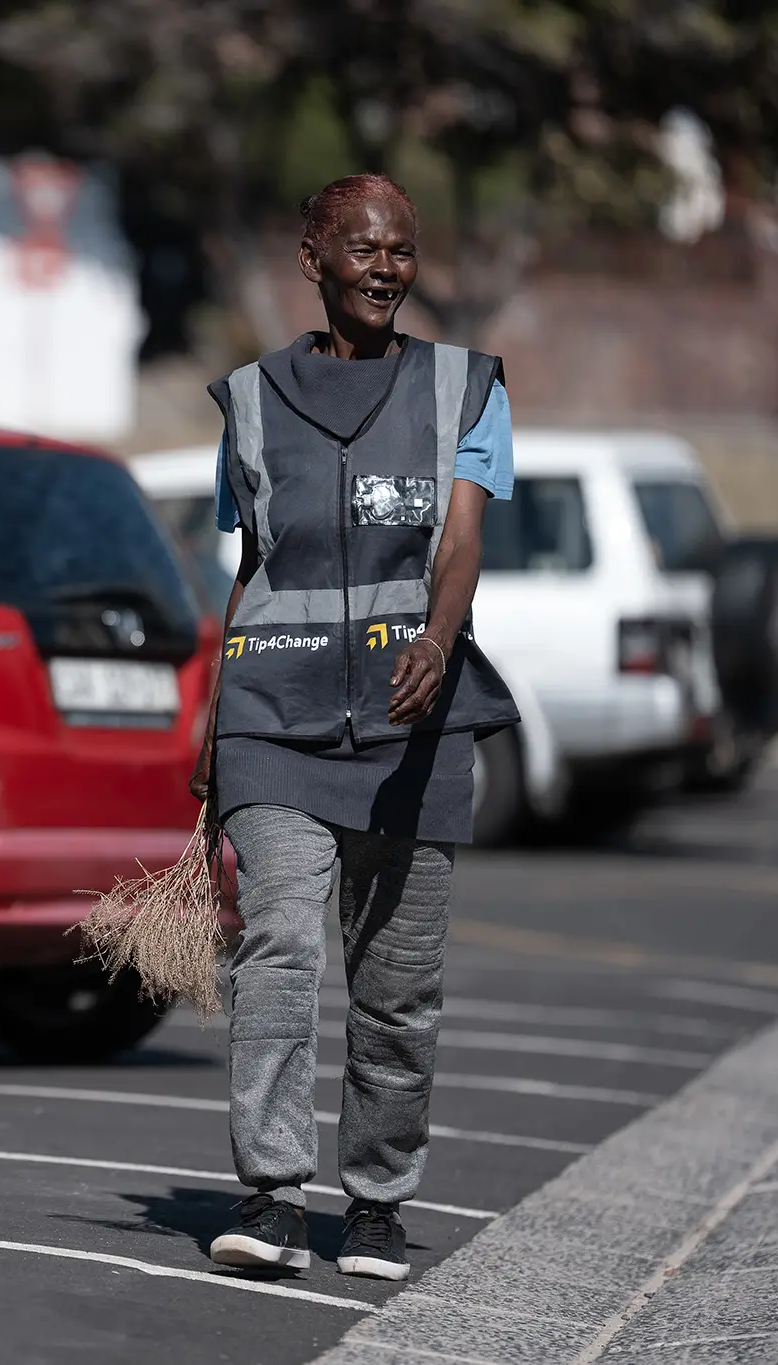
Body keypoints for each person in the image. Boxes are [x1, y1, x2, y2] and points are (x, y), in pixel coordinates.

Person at [189, 174, 519, 1281]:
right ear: (313, 259)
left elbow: (460, 543)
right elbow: (251, 565)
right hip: (271, 719)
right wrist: (211, 736)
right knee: (280, 946)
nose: (386, 268)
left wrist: (437, 636)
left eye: (402, 250)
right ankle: (272, 1193)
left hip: (409, 723)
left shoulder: (463, 389)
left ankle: (375, 1201)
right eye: (364, 248)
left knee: (395, 987)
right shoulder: (247, 400)